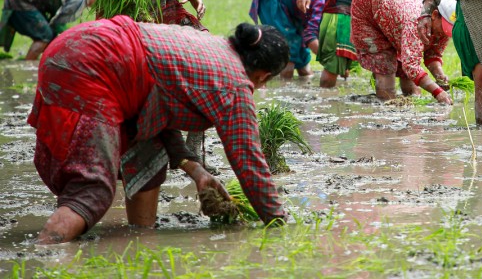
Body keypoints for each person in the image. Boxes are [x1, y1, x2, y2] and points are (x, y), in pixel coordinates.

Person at [28, 18, 290, 244]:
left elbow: (160, 109)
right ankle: (44, 251)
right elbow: (249, 162)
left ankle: (140, 238)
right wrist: (278, 223)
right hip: (92, 67)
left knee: (149, 156)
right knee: (92, 190)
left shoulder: (210, 44)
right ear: (263, 76)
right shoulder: (234, 84)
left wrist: (197, 171)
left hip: (73, 44)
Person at [351, 0, 454, 104]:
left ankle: (411, 105)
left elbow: (433, 54)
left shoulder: (441, 25)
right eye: (445, 27)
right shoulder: (415, 20)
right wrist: (437, 92)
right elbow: (411, 66)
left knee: (410, 82)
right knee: (385, 66)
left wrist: (440, 77)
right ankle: (385, 108)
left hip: (394, 10)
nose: (446, 33)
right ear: (434, 15)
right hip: (368, 7)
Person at [249, 0, 326, 79]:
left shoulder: (330, 7)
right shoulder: (323, 4)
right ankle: (285, 86)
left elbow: (307, 35)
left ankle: (304, 74)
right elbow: (311, 37)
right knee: (288, 44)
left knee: (299, 44)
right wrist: (333, 64)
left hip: (293, 3)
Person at [0, 0, 85, 60]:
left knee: (51, 36)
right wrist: (73, 41)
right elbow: (58, 23)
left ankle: (46, 63)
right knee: (45, 37)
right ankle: (28, 67)